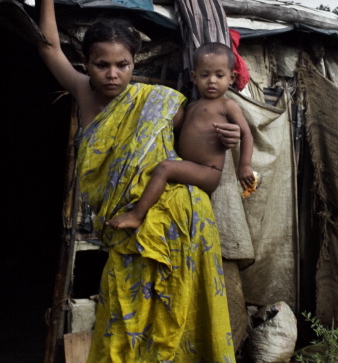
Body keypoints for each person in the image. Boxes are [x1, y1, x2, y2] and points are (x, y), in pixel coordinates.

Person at [28, 0, 246, 363]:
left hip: (174, 227)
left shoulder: (160, 102)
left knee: (144, 330)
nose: (112, 74)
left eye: (122, 64)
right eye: (102, 64)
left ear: (134, 64)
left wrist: (234, 138)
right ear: (89, 64)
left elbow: (209, 127)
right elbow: (47, 49)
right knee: (137, 331)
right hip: (132, 233)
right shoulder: (84, 96)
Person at [106, 42, 255, 231]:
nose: (212, 81)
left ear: (232, 77)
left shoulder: (227, 105)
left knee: (165, 168)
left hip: (208, 170)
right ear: (194, 77)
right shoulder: (191, 106)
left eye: (219, 75)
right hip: (189, 165)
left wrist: (245, 166)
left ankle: (136, 215)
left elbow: (247, 134)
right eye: (204, 75)